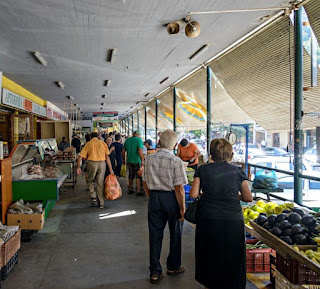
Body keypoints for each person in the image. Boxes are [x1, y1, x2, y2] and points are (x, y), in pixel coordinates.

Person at [190, 138, 252, 289]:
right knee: (233, 255)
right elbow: (248, 197)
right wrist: (232, 195)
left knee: (209, 253)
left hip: (208, 218)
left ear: (211, 153)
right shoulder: (238, 171)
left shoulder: (203, 169)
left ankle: (211, 284)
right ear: (230, 154)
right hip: (233, 219)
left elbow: (193, 194)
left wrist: (208, 194)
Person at [142, 129, 187, 284]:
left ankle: (155, 271)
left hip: (154, 198)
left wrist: (152, 197)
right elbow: (179, 188)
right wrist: (182, 209)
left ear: (159, 142)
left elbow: (144, 182)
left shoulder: (149, 159)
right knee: (176, 233)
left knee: (154, 234)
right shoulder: (176, 161)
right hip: (171, 199)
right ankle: (173, 266)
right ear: (174, 144)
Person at [77, 132, 114, 209]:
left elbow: (80, 156)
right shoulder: (103, 144)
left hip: (92, 163)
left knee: (90, 180)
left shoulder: (88, 144)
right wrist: (111, 169)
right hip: (102, 164)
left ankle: (93, 197)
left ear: (90, 137)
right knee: (100, 183)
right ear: (98, 136)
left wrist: (78, 167)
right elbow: (107, 157)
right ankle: (101, 203)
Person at [122, 130, 144, 196]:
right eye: (139, 135)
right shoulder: (139, 140)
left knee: (130, 175)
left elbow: (123, 151)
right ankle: (138, 190)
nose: (140, 136)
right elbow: (140, 150)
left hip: (129, 160)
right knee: (138, 176)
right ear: (137, 134)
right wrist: (142, 159)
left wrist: (124, 159)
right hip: (137, 161)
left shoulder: (127, 140)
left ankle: (130, 189)